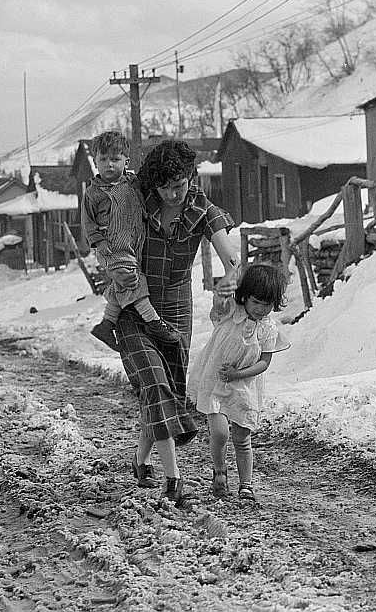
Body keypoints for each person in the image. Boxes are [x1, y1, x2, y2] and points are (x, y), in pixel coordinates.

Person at [116, 140, 239, 505]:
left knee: (164, 389)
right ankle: (174, 479)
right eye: (166, 186)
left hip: (177, 310)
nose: (173, 193)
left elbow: (228, 252)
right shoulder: (136, 202)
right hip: (134, 304)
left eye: (180, 184)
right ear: (153, 184)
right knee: (155, 384)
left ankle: (140, 461)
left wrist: (229, 277)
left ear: (191, 178)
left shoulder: (202, 209)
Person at [188, 263, 289, 502]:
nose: (261, 310)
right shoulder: (231, 312)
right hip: (216, 381)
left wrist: (238, 374)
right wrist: (227, 281)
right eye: (256, 303)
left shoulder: (268, 329)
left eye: (267, 305)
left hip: (244, 386)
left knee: (242, 438)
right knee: (220, 432)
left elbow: (264, 362)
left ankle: (246, 485)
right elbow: (220, 302)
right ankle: (220, 471)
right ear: (244, 297)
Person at [81, 130, 181, 352]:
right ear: (95, 162)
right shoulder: (93, 193)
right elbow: (87, 223)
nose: (109, 165)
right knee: (131, 279)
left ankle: (106, 325)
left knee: (122, 282)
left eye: (115, 159)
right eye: (103, 159)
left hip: (133, 243)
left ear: (126, 160)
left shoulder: (133, 183)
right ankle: (153, 321)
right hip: (111, 244)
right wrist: (99, 243)